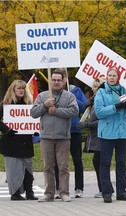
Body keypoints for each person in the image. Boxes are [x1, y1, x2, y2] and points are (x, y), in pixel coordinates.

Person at [30, 71, 79, 202]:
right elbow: (33, 113)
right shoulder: (42, 96)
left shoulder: (69, 96)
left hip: (63, 137)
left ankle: (64, 193)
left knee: (63, 166)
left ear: (63, 81)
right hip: (46, 137)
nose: (56, 82)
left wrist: (57, 111)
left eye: (59, 80)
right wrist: (45, 105)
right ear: (50, 81)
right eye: (54, 80)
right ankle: (49, 193)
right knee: (48, 167)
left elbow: (74, 111)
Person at [95, 67, 126, 203]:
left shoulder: (123, 91)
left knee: (121, 163)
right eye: (110, 75)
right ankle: (106, 192)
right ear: (106, 77)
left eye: (114, 75)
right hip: (107, 133)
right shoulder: (101, 92)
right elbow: (99, 112)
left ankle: (121, 192)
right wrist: (116, 107)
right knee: (105, 162)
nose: (112, 78)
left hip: (122, 132)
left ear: (118, 77)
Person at [0, 80, 38, 201]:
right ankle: (15, 193)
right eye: (19, 88)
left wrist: (35, 129)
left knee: (28, 168)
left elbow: (34, 121)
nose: (21, 90)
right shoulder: (5, 105)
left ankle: (29, 192)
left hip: (26, 142)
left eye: (23, 88)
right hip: (11, 142)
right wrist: (7, 130)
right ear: (13, 90)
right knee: (13, 170)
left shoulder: (29, 105)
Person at [53, 68, 86, 199]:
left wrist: (70, 96)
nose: (62, 80)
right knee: (58, 162)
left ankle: (79, 188)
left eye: (64, 76)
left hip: (74, 130)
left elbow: (83, 107)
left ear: (66, 77)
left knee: (77, 160)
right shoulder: (52, 92)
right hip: (59, 131)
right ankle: (58, 188)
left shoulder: (76, 90)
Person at [76, 77, 107, 198]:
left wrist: (86, 124)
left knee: (99, 162)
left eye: (97, 86)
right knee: (97, 162)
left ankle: (105, 188)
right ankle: (103, 188)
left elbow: (102, 120)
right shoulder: (93, 101)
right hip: (94, 137)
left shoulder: (104, 101)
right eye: (93, 86)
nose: (94, 89)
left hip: (102, 135)